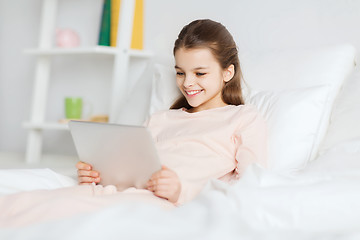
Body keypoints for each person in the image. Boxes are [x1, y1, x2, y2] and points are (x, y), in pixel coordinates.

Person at [76, 19, 268, 205]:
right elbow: (128, 172)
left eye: (200, 73)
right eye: (180, 72)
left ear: (228, 72)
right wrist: (96, 175)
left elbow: (249, 188)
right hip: (117, 196)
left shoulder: (243, 118)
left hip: (161, 205)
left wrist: (180, 192)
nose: (187, 83)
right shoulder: (160, 119)